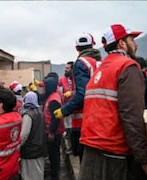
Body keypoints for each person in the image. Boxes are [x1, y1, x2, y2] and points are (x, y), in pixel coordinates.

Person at [79, 24, 147, 180]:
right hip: (114, 155)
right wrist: (145, 159)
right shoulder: (127, 67)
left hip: (91, 151)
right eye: (132, 39)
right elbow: (131, 116)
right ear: (122, 43)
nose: (136, 44)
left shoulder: (100, 69)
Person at [53, 32, 102, 162]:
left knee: (85, 161)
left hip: (83, 123)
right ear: (92, 45)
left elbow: (82, 95)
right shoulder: (98, 63)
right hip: (99, 119)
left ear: (77, 48)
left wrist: (64, 110)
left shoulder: (80, 63)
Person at [20, 91, 46, 180]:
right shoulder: (40, 113)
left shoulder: (27, 116)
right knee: (38, 175)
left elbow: (23, 135)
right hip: (40, 150)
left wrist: (17, 146)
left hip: (30, 152)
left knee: (29, 176)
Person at [43, 72, 64, 180]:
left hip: (54, 132)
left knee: (53, 154)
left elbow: (56, 118)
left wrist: (51, 132)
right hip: (54, 131)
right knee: (54, 153)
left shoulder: (53, 100)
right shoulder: (52, 96)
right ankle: (55, 171)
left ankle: (55, 175)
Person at [58, 61, 74, 154]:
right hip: (67, 107)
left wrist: (72, 93)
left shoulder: (76, 79)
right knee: (68, 128)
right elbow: (54, 82)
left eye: (67, 68)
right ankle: (69, 148)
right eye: (65, 68)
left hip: (76, 107)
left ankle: (73, 147)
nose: (65, 70)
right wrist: (40, 83)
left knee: (74, 129)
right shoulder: (63, 79)